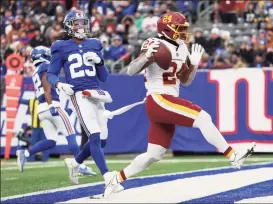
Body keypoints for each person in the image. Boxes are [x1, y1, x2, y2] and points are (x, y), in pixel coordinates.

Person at [103, 11, 256, 198]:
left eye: (184, 28)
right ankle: (233, 155)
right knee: (203, 117)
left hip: (166, 100)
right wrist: (145, 57)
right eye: (179, 28)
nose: (183, 32)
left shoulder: (182, 47)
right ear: (167, 29)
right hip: (159, 98)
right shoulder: (155, 44)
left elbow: (185, 81)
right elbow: (131, 71)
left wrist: (194, 65)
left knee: (154, 154)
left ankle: (116, 178)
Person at [47, 10, 123, 192]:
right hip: (78, 94)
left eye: (82, 23)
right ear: (69, 26)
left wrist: (99, 62)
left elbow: (103, 77)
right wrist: (59, 85)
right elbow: (51, 73)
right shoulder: (60, 46)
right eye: (76, 23)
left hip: (96, 92)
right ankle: (108, 179)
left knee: (102, 140)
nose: (80, 27)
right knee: (95, 136)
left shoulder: (95, 44)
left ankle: (74, 162)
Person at [16, 46, 96, 177]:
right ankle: (80, 166)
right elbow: (47, 87)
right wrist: (51, 104)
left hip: (41, 109)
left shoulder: (35, 71)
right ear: (42, 56)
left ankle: (25, 153)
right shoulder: (45, 66)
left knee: (51, 141)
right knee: (71, 136)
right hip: (52, 105)